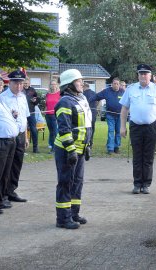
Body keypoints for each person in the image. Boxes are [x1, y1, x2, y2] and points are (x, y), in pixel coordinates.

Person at [119, 64, 156, 195]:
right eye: (141, 73)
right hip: (135, 126)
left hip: (152, 126)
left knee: (148, 156)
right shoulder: (131, 89)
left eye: (145, 74)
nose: (143, 76)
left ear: (150, 76)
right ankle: (137, 184)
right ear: (138, 75)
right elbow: (124, 109)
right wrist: (122, 126)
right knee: (137, 156)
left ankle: (146, 184)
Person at [54, 69, 92, 229]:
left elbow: (86, 125)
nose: (82, 83)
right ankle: (63, 219)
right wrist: (70, 150)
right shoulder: (65, 102)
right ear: (69, 85)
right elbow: (64, 129)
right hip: (67, 150)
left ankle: (74, 214)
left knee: (77, 182)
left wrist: (87, 145)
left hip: (80, 149)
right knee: (66, 182)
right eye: (78, 81)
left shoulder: (79, 99)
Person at [0, 70, 30, 203]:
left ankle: (11, 190)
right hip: (9, 136)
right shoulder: (3, 98)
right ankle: (3, 194)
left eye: (21, 84)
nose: (19, 86)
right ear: (10, 83)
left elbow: (25, 117)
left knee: (17, 164)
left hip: (21, 135)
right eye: (16, 83)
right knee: (6, 166)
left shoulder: (23, 97)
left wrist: (27, 137)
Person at [0, 84, 19, 214]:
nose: (0, 86)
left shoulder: (1, 100)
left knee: (5, 173)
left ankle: (0, 199)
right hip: (1, 140)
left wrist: (13, 116)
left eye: (1, 84)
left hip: (11, 141)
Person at [91, 78, 125, 154]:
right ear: (111, 84)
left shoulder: (123, 92)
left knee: (118, 132)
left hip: (120, 116)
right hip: (110, 115)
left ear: (119, 85)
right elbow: (96, 96)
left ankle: (116, 147)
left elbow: (128, 101)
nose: (116, 85)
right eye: (114, 83)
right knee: (111, 131)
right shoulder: (106, 91)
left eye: (117, 84)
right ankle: (110, 148)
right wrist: (88, 100)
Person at [23, 77, 40, 153]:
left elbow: (37, 101)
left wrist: (35, 101)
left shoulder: (33, 90)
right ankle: (22, 147)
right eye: (24, 83)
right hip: (22, 114)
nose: (26, 85)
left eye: (27, 83)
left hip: (31, 113)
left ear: (29, 83)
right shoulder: (20, 90)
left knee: (33, 129)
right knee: (21, 130)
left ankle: (35, 148)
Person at [45, 80, 61, 154]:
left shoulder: (59, 94)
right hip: (48, 115)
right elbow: (46, 105)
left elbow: (61, 104)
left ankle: (55, 148)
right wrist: (45, 112)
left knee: (55, 132)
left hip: (55, 115)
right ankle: (51, 146)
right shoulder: (48, 94)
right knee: (51, 132)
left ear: (57, 85)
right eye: (52, 84)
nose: (53, 86)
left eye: (54, 84)